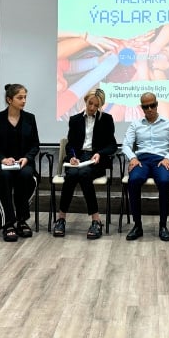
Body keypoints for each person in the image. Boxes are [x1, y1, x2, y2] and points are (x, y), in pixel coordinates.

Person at [54, 88, 117, 239]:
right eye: (90, 104)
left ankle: (96, 220)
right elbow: (70, 145)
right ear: (85, 101)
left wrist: (99, 153)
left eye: (96, 105)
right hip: (79, 157)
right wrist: (72, 157)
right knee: (72, 175)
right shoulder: (75, 119)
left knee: (83, 174)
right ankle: (61, 218)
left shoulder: (106, 119)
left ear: (100, 106)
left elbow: (112, 145)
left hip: (96, 159)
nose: (92, 108)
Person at [123, 92, 169, 242]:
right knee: (134, 180)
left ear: (157, 104)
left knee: (164, 181)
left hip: (161, 160)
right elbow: (125, 145)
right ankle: (137, 226)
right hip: (141, 160)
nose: (150, 109)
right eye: (146, 106)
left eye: (153, 105)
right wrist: (132, 158)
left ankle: (163, 226)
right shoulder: (135, 124)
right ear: (142, 108)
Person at [0, 84, 40, 242]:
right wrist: (3, 158)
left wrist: (27, 158)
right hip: (0, 162)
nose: (24, 101)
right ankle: (8, 223)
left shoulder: (30, 118)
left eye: (25, 97)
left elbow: (35, 145)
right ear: (9, 100)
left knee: (27, 176)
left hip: (22, 162)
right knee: (3, 176)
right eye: (20, 97)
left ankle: (21, 220)